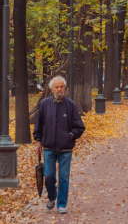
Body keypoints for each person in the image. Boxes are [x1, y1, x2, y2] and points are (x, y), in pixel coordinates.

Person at [33, 76, 86, 214]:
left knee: (63, 177)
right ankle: (52, 197)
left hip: (66, 148)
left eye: (61, 86)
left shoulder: (70, 105)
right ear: (51, 89)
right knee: (49, 175)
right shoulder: (44, 104)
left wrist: (71, 135)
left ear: (65, 88)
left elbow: (79, 127)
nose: (59, 89)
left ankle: (61, 204)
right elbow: (38, 124)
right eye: (56, 87)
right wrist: (38, 141)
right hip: (48, 147)